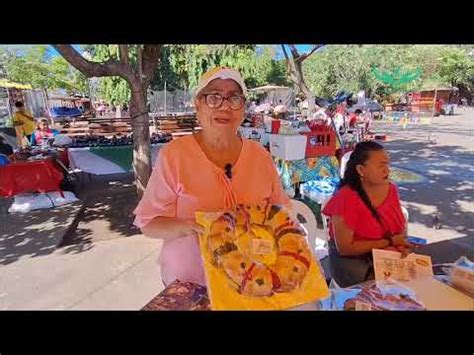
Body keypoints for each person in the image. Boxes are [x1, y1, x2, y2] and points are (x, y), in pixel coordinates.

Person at [133, 67, 290, 287]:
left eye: (234, 98)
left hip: (251, 283)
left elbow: (281, 215)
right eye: (213, 97)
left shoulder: (260, 157)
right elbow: (148, 223)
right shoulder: (175, 155)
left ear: (243, 108)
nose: (225, 106)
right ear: (198, 104)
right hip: (190, 283)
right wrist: (188, 227)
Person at [322, 141, 414, 287]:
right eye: (380, 166)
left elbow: (398, 226)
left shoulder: (391, 190)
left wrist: (402, 245)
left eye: (387, 165)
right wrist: (390, 242)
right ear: (360, 170)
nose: (387, 170)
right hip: (355, 263)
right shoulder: (346, 198)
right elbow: (345, 248)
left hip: (385, 257)